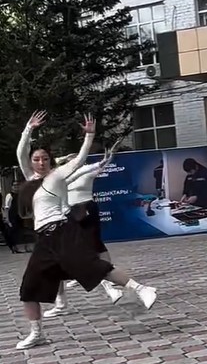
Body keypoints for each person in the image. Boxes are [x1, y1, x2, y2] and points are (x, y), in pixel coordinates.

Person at [15, 111, 157, 350]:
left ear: (51, 161)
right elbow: (21, 151)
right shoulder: (30, 178)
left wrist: (89, 136)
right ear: (31, 162)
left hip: (62, 232)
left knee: (92, 267)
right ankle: (36, 333)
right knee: (28, 288)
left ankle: (141, 289)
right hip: (44, 239)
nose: (41, 162)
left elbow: (79, 161)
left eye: (45, 159)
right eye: (37, 159)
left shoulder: (57, 176)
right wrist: (28, 129)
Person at [43, 141, 125, 318]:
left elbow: (104, 163)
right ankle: (89, 280)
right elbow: (53, 165)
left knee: (92, 245)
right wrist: (66, 158)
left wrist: (110, 154)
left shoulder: (88, 171)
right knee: (73, 250)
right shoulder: (63, 176)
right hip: (69, 212)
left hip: (86, 209)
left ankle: (106, 280)